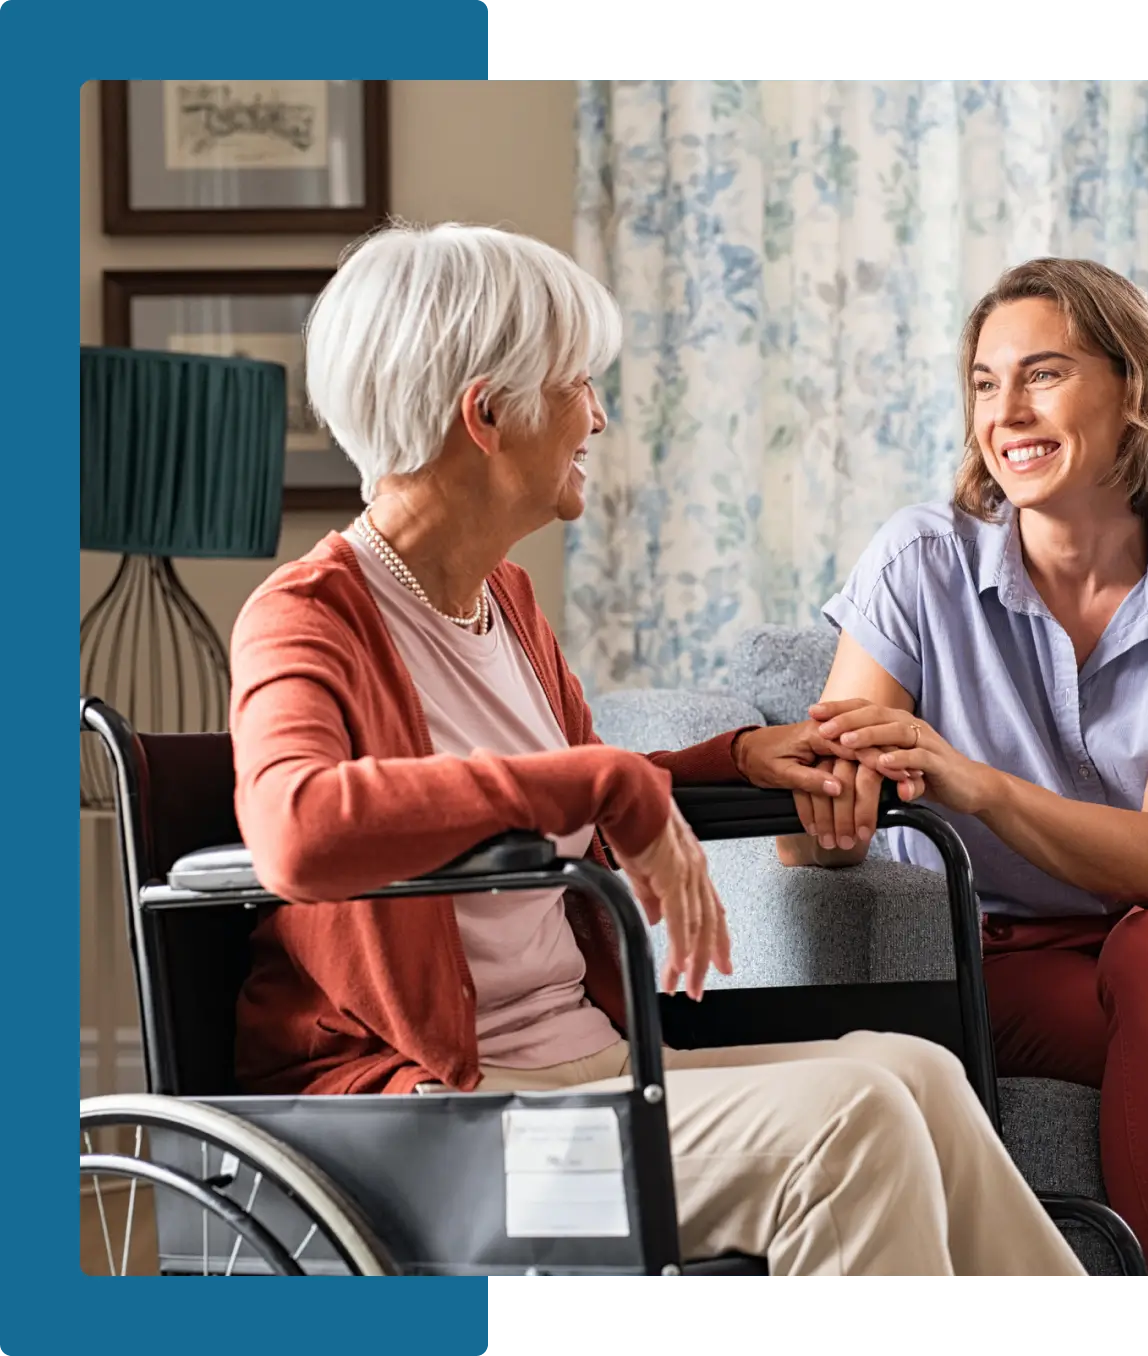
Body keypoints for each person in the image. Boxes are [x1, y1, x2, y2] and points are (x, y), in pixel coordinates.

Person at [228, 222, 1085, 1280]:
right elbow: (297, 831)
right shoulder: (306, 617)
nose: (599, 415)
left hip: (583, 1071)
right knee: (852, 1120)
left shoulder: (504, 603)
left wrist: (734, 758)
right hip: (436, 1134)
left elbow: (555, 803)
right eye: (578, 384)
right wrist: (604, 777)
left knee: (916, 1073)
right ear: (486, 415)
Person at [779, 257, 1148, 1280]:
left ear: (1134, 387)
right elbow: (815, 817)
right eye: (984, 381)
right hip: (1007, 952)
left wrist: (972, 782)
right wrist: (829, 814)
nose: (1005, 410)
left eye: (1044, 374)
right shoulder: (917, 564)